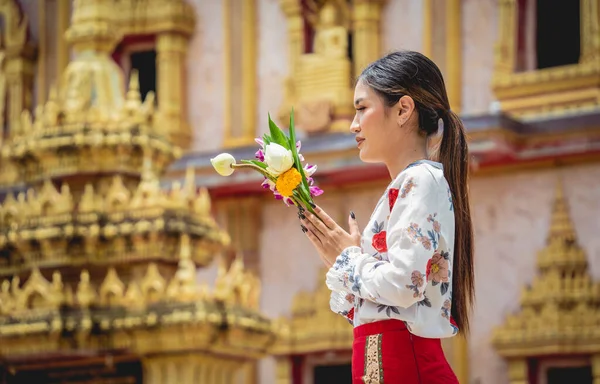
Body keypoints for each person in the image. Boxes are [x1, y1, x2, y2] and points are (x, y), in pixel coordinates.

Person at [299, 50, 474, 383]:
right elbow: (386, 305)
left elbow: (403, 284)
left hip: (406, 366)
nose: (353, 125)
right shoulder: (407, 185)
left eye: (362, 108)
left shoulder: (421, 180)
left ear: (403, 110)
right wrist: (340, 261)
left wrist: (350, 260)